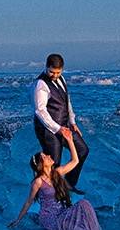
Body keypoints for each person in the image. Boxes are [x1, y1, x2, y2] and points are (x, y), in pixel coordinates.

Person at [9, 128, 110, 230]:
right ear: (41, 164)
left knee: (84, 204)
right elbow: (29, 202)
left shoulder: (57, 173)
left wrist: (69, 141)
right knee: (69, 226)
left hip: (63, 211)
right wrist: (18, 219)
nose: (49, 156)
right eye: (45, 157)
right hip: (49, 217)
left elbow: (75, 161)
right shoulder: (38, 182)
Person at [33, 53, 89, 193]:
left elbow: (66, 101)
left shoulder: (62, 79)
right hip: (48, 130)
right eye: (52, 71)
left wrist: (72, 121)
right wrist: (58, 129)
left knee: (82, 150)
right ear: (46, 67)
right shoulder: (40, 84)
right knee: (53, 164)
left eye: (58, 72)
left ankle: (68, 184)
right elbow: (40, 111)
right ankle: (45, 195)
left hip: (65, 125)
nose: (54, 75)